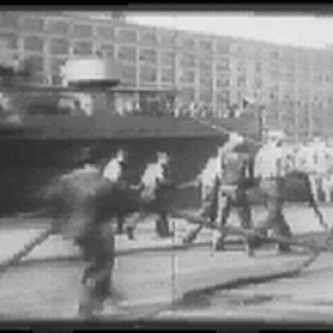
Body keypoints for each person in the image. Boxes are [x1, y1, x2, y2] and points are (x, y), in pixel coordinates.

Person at [47, 147, 116, 319]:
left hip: (77, 230)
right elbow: (112, 205)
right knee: (100, 267)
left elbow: (51, 196)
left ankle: (95, 303)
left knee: (91, 265)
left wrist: (63, 217)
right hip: (98, 230)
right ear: (98, 163)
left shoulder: (67, 180)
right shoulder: (101, 181)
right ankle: (89, 308)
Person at [212, 132, 256, 254]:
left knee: (221, 216)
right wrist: (249, 185)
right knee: (245, 218)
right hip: (238, 188)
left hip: (225, 187)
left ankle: (217, 241)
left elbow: (219, 172)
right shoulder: (247, 157)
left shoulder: (223, 154)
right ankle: (249, 244)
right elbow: (249, 176)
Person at [254, 130, 293, 252]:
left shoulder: (262, 151)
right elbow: (285, 170)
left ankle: (285, 241)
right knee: (273, 214)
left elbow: (256, 170)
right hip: (275, 183)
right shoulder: (279, 152)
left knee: (277, 215)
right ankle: (253, 233)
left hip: (263, 183)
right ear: (277, 140)